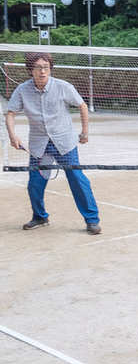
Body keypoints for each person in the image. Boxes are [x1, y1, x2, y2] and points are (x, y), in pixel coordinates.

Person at [5, 52, 102, 235]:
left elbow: (81, 105)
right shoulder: (22, 90)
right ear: (30, 70)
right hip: (39, 144)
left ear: (50, 69)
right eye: (38, 68)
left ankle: (92, 220)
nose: (42, 71)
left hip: (64, 142)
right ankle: (40, 217)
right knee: (35, 183)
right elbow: (10, 112)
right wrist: (13, 136)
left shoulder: (63, 87)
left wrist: (85, 132)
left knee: (77, 179)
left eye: (46, 67)